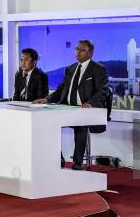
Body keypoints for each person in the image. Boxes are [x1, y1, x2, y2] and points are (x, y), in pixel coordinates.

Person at [34, 40, 109, 170]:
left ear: (90, 53)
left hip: (84, 109)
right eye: (77, 49)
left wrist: (90, 103)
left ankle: (78, 161)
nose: (78, 52)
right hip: (66, 107)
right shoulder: (70, 69)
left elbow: (103, 91)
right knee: (48, 121)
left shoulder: (98, 69)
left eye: (82, 50)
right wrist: (47, 100)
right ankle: (58, 158)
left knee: (81, 124)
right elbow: (61, 89)